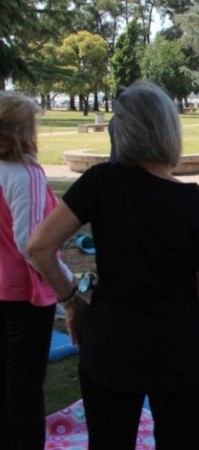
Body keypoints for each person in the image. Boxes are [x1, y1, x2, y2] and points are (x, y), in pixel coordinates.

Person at [28, 81, 199, 449]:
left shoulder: (99, 183)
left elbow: (40, 246)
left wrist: (72, 301)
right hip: (180, 354)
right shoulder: (198, 206)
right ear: (170, 129)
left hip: (110, 348)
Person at [0, 92, 73, 449]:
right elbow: (33, 244)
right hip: (24, 296)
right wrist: (69, 288)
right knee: (24, 384)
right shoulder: (24, 173)